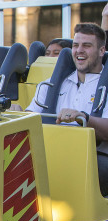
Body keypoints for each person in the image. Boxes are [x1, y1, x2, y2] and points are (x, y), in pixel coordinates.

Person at [26, 22, 108, 196]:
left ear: (102, 51)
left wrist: (83, 117)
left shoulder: (105, 87)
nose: (79, 51)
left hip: (91, 156)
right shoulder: (49, 85)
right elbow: (29, 117)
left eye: (87, 46)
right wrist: (17, 112)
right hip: (50, 153)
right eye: (76, 45)